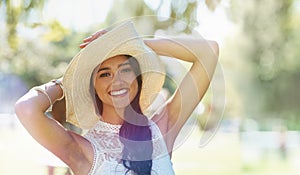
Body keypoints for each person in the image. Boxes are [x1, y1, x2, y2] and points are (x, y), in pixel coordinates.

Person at [15, 21, 219, 175]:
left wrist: (135, 43)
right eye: (105, 74)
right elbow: (26, 109)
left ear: (138, 78)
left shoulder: (162, 128)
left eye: (125, 70)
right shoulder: (84, 150)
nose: (117, 81)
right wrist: (65, 82)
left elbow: (209, 51)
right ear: (93, 86)